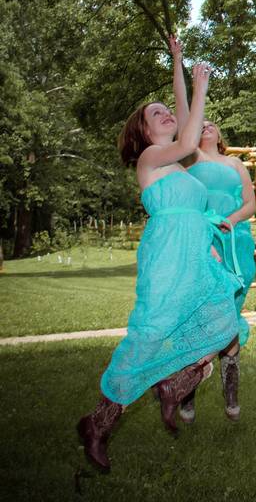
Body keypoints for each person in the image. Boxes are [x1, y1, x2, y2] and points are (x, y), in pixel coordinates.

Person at [77, 63, 242, 472]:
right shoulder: (151, 158)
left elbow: (185, 123)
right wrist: (201, 83)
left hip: (196, 253)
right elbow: (188, 136)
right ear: (144, 131)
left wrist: (179, 69)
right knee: (149, 336)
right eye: (157, 113)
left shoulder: (180, 168)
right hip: (167, 255)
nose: (166, 113)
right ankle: (98, 424)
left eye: (166, 109)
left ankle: (174, 384)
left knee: (224, 323)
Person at [170, 36, 256, 422]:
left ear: (219, 134)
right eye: (198, 124)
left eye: (209, 124)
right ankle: (187, 390)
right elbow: (183, 109)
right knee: (203, 315)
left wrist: (232, 220)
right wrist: (179, 62)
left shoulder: (236, 164)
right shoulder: (190, 158)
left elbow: (251, 203)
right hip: (202, 246)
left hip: (236, 244)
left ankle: (231, 391)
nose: (203, 125)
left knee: (229, 317)